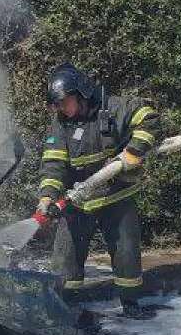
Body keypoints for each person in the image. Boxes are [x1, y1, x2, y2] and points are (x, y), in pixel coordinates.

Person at [37, 63, 161, 317]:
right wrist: (47, 196)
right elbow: (53, 164)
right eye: (56, 105)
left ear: (80, 93)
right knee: (66, 258)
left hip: (116, 196)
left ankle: (130, 304)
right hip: (77, 201)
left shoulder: (113, 108)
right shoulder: (60, 125)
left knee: (126, 252)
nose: (60, 109)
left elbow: (150, 119)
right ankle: (65, 307)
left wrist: (133, 151)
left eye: (63, 102)